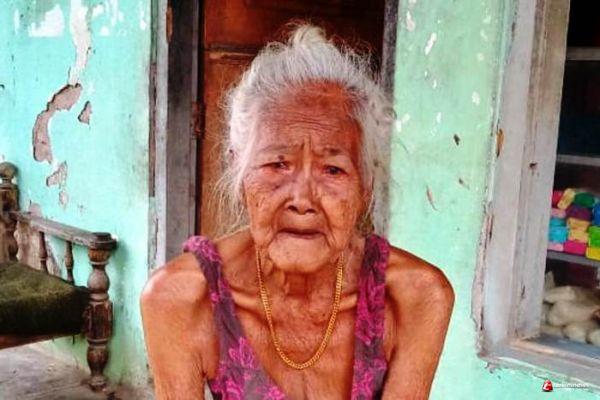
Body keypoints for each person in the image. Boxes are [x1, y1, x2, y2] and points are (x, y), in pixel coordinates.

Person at [141, 24, 454, 400]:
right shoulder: (181, 299)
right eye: (277, 164)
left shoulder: (414, 298)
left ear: (366, 185)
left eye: (333, 169)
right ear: (240, 173)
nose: (302, 199)